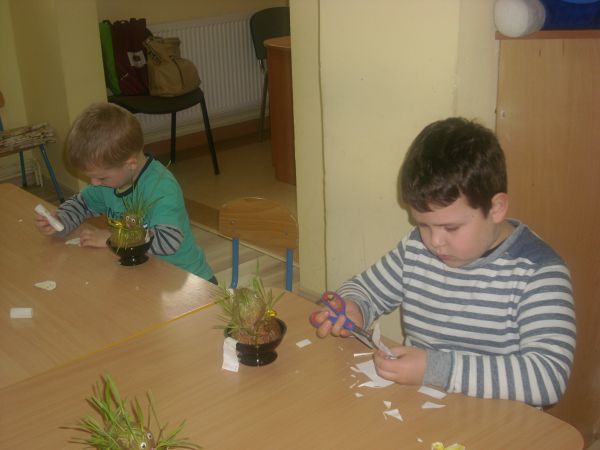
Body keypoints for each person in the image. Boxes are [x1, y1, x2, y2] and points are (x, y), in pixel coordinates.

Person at [311, 117, 575, 407]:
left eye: (451, 228)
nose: (435, 242)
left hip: (500, 419)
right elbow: (366, 289)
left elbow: (549, 378)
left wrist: (436, 369)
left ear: (496, 208)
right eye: (423, 224)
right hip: (421, 407)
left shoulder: (539, 272)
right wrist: (354, 307)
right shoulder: (416, 249)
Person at [35, 102, 216, 283]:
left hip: (187, 282)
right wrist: (61, 220)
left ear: (130, 164)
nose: (94, 183)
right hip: (146, 276)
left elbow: (168, 240)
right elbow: (82, 203)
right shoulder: (110, 183)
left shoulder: (161, 188)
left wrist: (114, 239)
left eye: (101, 177)